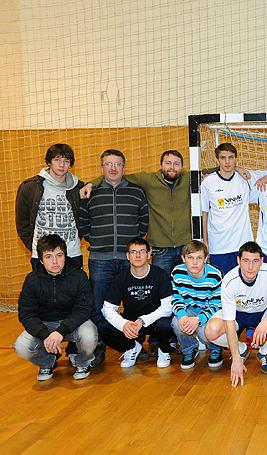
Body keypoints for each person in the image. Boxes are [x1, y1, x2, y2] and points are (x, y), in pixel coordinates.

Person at [78, 149, 149, 366]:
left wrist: (132, 248)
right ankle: (107, 345)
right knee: (98, 308)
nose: (113, 168)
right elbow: (83, 223)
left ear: (124, 168)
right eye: (108, 164)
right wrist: (97, 241)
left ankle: (135, 343)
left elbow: (144, 222)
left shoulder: (136, 192)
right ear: (102, 168)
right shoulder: (91, 193)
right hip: (100, 260)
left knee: (133, 306)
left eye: (117, 164)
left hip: (130, 260)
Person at [81, 149, 190, 274]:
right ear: (160, 165)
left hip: (185, 247)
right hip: (160, 250)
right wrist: (91, 183)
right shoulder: (148, 179)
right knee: (161, 285)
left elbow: (207, 173)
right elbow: (115, 175)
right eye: (168, 163)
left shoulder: (189, 179)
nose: (172, 167)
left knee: (186, 284)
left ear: (182, 167)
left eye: (176, 164)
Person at [14, 234, 97, 381]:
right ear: (41, 260)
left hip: (72, 325)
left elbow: (84, 308)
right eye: (48, 257)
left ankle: (83, 362)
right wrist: (44, 334)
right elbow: (26, 313)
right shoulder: (32, 280)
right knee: (21, 346)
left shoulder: (78, 276)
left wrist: (61, 331)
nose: (55, 261)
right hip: (45, 325)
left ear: (65, 256)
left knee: (89, 335)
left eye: (59, 255)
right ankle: (47, 362)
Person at [205, 241, 267, 375]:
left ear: (262, 261)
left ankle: (265, 352)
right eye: (246, 261)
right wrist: (236, 359)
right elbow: (229, 323)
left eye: (255, 261)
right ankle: (241, 349)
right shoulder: (229, 281)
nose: (250, 267)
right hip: (238, 315)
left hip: (263, 312)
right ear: (238, 260)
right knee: (211, 331)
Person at [171, 240, 249, 379]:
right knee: (177, 323)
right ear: (183, 258)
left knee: (204, 332)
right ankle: (189, 350)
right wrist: (182, 316)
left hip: (209, 312)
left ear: (206, 258)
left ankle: (215, 349)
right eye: (190, 258)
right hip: (189, 310)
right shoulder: (177, 273)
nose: (195, 263)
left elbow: (217, 304)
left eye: (199, 258)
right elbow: (176, 298)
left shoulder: (215, 275)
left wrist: (198, 319)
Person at [97, 238, 175, 369]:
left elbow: (168, 307)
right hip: (132, 323)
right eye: (133, 252)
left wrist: (143, 320)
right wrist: (124, 324)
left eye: (142, 251)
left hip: (154, 320)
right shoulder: (121, 278)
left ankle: (164, 350)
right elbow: (107, 308)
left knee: (166, 324)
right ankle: (132, 347)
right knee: (102, 326)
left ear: (149, 255)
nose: (137, 255)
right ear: (128, 256)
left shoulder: (160, 274)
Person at [16, 143, 85, 270]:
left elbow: (84, 219)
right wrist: (36, 247)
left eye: (66, 161)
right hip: (42, 255)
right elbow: (22, 222)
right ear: (49, 162)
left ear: (70, 164)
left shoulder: (79, 187)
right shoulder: (30, 187)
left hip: (72, 253)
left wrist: (91, 184)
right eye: (57, 160)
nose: (62, 165)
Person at [201, 143, 253, 274]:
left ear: (236, 159)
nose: (227, 162)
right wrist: (205, 241)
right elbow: (204, 214)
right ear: (217, 160)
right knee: (222, 283)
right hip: (218, 246)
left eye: (231, 157)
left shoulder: (245, 179)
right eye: (223, 158)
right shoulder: (208, 182)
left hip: (242, 244)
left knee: (243, 282)